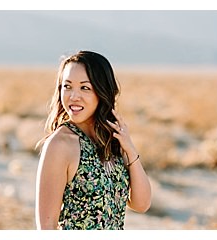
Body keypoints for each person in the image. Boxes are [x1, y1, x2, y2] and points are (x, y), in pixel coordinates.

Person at [35, 51, 151, 230]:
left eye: (85, 88)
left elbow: (141, 203)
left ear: (102, 91)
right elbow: (46, 225)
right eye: (67, 86)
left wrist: (130, 149)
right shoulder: (60, 144)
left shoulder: (111, 140)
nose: (73, 96)